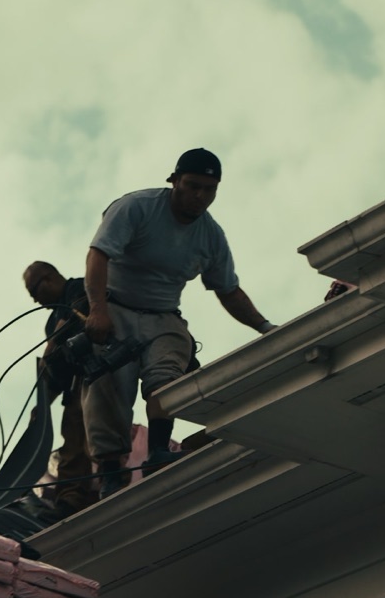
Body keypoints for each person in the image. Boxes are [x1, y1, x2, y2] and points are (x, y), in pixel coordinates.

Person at [81, 147, 276, 496]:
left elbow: (228, 290)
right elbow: (98, 254)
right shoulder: (136, 207)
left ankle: (157, 451)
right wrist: (97, 308)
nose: (200, 196)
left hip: (163, 315)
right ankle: (110, 472)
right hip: (116, 307)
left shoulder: (211, 236)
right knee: (108, 385)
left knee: (168, 372)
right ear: (174, 181)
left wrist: (265, 328)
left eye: (209, 189)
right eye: (192, 185)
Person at [23, 260, 96, 516]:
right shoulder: (51, 320)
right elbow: (57, 372)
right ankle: (70, 499)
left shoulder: (81, 288)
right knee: (72, 438)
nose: (34, 300)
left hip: (99, 372)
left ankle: (108, 482)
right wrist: (42, 405)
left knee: (97, 433)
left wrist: (52, 343)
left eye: (34, 291)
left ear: (49, 278)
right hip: (75, 384)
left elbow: (81, 314)